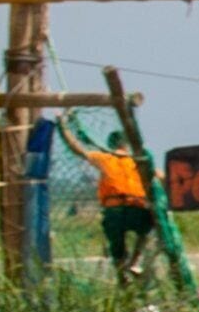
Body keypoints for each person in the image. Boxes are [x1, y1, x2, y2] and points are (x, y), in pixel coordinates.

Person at [57, 111, 156, 282]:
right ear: (127, 145)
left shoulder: (105, 158)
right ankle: (135, 261)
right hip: (137, 207)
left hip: (114, 210)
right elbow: (158, 176)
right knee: (146, 231)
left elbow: (78, 149)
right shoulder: (138, 161)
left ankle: (122, 277)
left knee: (117, 249)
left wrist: (63, 127)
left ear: (110, 144)